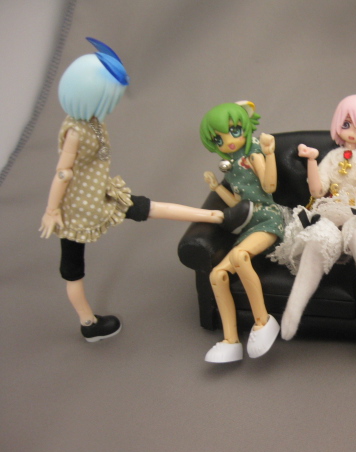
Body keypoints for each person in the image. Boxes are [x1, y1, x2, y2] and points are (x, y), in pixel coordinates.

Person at [40, 38, 223, 342]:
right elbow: (62, 173)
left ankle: (214, 216)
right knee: (73, 268)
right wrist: (51, 210)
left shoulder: (92, 122)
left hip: (100, 193)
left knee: (147, 208)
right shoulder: (76, 131)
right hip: (79, 207)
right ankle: (88, 323)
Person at [270, 95, 356, 340]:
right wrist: (311, 161)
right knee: (319, 237)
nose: (352, 132)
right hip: (332, 210)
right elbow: (317, 191)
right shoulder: (331, 157)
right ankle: (294, 309)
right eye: (346, 124)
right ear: (337, 123)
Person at [200, 101, 285, 363]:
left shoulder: (253, 156)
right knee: (217, 275)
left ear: (245, 128)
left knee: (239, 256)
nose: (229, 141)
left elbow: (269, 187)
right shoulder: (232, 165)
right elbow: (238, 203)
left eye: (234, 131)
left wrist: (269, 154)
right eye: (219, 139)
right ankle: (230, 340)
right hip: (248, 223)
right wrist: (217, 188)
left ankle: (263, 322)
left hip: (268, 218)